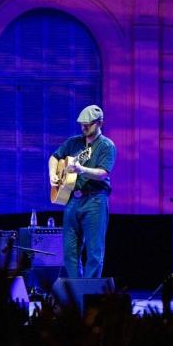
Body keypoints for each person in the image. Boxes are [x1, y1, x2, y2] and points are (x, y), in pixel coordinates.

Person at [48, 104, 116, 279]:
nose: (84, 127)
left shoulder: (107, 146)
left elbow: (103, 173)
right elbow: (54, 157)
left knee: (94, 252)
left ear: (100, 122)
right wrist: (52, 175)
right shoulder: (74, 142)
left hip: (95, 201)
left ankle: (89, 293)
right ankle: (75, 290)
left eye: (88, 124)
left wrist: (81, 170)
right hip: (72, 201)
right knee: (70, 251)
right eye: (82, 124)